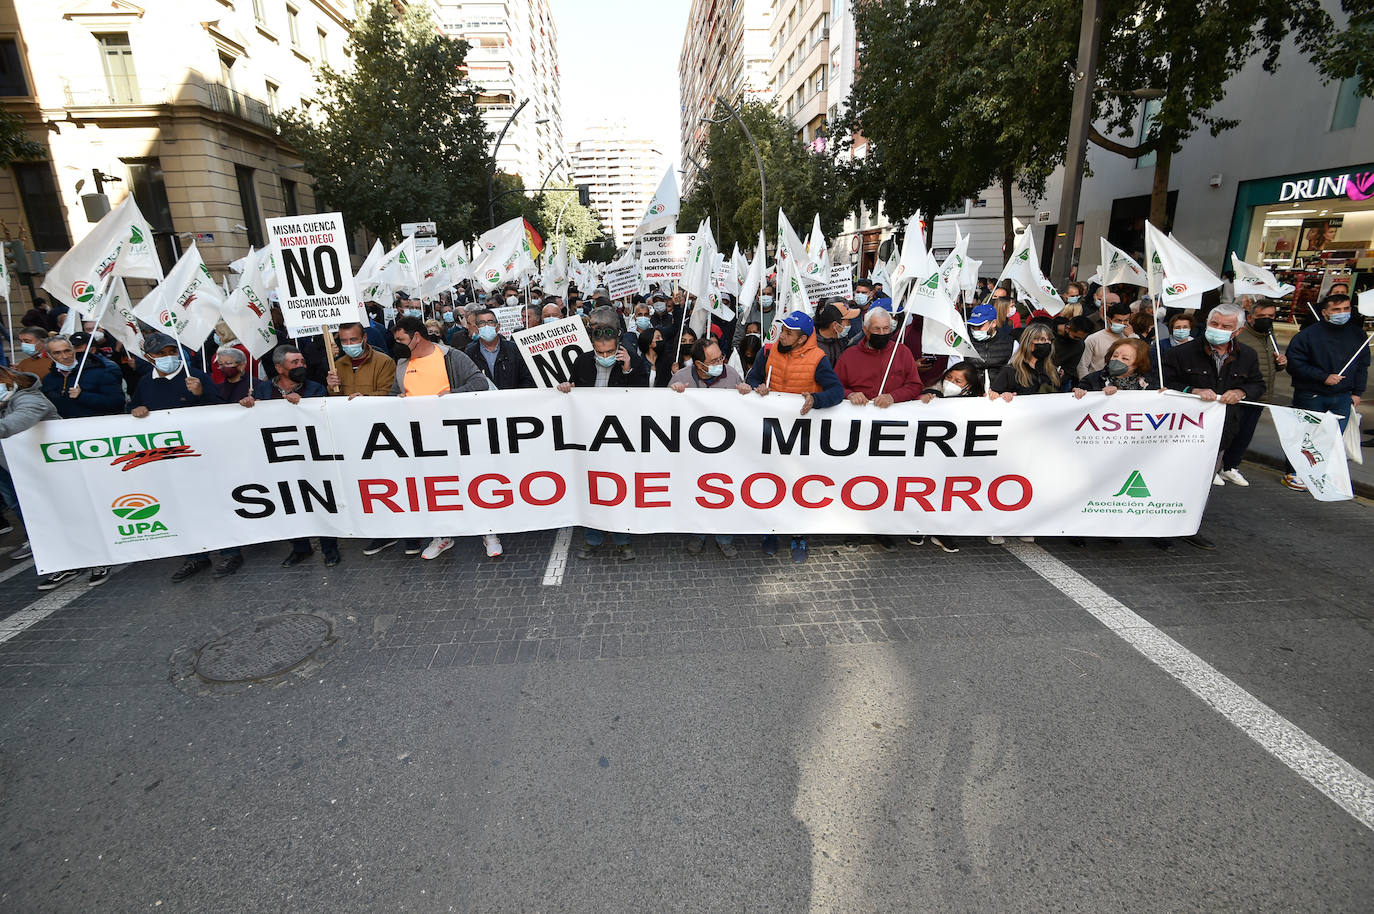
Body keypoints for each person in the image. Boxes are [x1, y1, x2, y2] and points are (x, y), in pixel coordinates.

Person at [391, 315, 499, 560]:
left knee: (475, 482)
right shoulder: (401, 364)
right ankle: (443, 535)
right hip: (424, 440)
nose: (397, 344)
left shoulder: (451, 357)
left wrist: (452, 396)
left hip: (459, 435)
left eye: (401, 339)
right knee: (437, 488)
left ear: (416, 337)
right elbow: (394, 394)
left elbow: (479, 383)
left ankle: (489, 532)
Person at [740, 311, 844, 563]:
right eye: (783, 330)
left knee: (798, 485)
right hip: (772, 433)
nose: (783, 335)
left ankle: (798, 534)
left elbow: (837, 391)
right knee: (770, 482)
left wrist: (816, 399)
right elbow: (753, 377)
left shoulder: (818, 359)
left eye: (789, 333)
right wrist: (757, 387)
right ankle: (771, 531)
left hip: (801, 435)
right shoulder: (768, 351)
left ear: (802, 339)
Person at [1161, 303, 1265, 547]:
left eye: (1225, 326)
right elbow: (1162, 382)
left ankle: (1188, 525)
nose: (1218, 329)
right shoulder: (1181, 353)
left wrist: (1241, 390)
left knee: (1202, 483)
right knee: (1172, 477)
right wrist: (1192, 390)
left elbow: (1258, 385)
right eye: (1214, 324)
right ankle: (1161, 527)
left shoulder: (1247, 355)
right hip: (1181, 431)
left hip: (1220, 433)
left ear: (1237, 331)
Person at [557, 306, 649, 561]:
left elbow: (645, 399)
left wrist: (628, 370)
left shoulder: (634, 361)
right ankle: (592, 539)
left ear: (618, 345)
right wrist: (566, 387)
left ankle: (623, 539)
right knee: (593, 488)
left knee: (620, 489)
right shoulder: (583, 361)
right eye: (601, 352)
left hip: (621, 438)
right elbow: (572, 389)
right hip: (590, 438)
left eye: (610, 351)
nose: (605, 356)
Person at [1280, 293, 1369, 491]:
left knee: (1333, 437)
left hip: (1343, 397)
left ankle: (1317, 472)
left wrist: (1357, 393)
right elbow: (1295, 364)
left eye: (1346, 309)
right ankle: (1293, 472)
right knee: (1305, 435)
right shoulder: (1308, 335)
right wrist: (1322, 377)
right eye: (1336, 310)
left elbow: (1362, 365)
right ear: (1325, 312)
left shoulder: (1358, 335)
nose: (1342, 313)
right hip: (1311, 394)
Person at [669, 337, 743, 557]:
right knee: (698, 494)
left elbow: (744, 407)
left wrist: (747, 393)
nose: (719, 362)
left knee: (724, 494)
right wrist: (674, 395)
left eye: (720, 357)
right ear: (698, 364)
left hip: (726, 451)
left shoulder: (731, 374)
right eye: (713, 360)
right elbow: (665, 412)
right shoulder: (681, 377)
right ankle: (698, 535)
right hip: (694, 452)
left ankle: (724, 538)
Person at [1219, 298, 1287, 486]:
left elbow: (1267, 365)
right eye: (1262, 316)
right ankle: (1215, 467)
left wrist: (1280, 363)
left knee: (1245, 434)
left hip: (1261, 396)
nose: (1267, 319)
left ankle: (1230, 467)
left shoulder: (1269, 336)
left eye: (1271, 316)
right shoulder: (1241, 337)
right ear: (1250, 318)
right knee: (1227, 433)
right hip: (1238, 395)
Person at [0, 366, 60, 572]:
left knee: (54, 510)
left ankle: (69, 556)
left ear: (7, 381)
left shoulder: (29, 397)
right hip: (13, 468)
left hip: (45, 468)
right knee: (19, 506)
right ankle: (41, 543)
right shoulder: (4, 400)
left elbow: (18, 421)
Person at [40, 335, 124, 418]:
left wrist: (82, 396)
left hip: (96, 426)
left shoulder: (101, 372)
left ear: (73, 350)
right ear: (49, 355)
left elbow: (117, 402)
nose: (65, 356)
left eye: (67, 351)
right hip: (65, 428)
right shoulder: (48, 379)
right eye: (57, 353)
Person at [464, 308, 533, 390]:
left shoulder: (514, 349)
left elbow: (527, 378)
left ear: (498, 327)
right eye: (482, 323)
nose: (486, 326)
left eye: (490, 322)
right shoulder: (470, 352)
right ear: (476, 328)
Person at [328, 322, 397, 399]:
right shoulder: (337, 365)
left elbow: (388, 393)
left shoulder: (384, 362)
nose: (349, 344)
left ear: (364, 338)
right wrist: (332, 387)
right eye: (344, 341)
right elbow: (336, 400)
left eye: (353, 339)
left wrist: (364, 398)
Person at [1073, 339, 1159, 394]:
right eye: (1115, 355)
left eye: (1125, 358)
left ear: (1138, 364)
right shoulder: (1091, 380)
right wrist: (1098, 394)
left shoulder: (1151, 383)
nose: (1117, 360)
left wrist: (1164, 395)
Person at [1078, 301, 1135, 377]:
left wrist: (1132, 336)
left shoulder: (1130, 338)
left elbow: (1139, 356)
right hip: (1097, 383)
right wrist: (1086, 384)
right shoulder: (1094, 339)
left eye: (1126, 320)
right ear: (1108, 320)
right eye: (1119, 320)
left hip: (1122, 384)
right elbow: (1082, 366)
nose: (1122, 324)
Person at [967, 304, 1015, 372]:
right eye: (973, 326)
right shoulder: (964, 341)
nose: (975, 330)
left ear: (993, 323)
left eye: (980, 326)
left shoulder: (1010, 343)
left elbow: (1013, 372)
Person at [1053, 316, 1093, 388]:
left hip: (1055, 381)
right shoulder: (1047, 330)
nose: (1078, 340)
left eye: (1081, 338)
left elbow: (1070, 369)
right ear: (1068, 328)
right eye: (1075, 337)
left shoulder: (1079, 345)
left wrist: (1062, 376)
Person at [813, 303, 853, 369]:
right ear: (835, 325)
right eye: (848, 321)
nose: (850, 324)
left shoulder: (840, 338)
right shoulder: (816, 349)